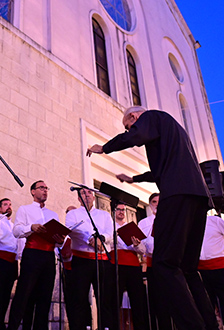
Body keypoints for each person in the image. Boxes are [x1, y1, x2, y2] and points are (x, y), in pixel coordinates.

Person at [87, 106, 217, 330]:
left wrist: (105, 148)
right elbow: (161, 170)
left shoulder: (151, 117)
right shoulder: (173, 131)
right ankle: (210, 325)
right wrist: (134, 179)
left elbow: (136, 136)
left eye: (129, 125)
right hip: (198, 198)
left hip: (177, 195)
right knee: (187, 269)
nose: (131, 129)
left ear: (134, 117)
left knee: (164, 264)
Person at [6, 180, 65, 330]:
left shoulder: (53, 214)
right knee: (23, 295)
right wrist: (31, 227)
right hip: (32, 254)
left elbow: (58, 243)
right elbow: (16, 231)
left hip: (49, 257)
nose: (45, 190)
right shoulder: (25, 210)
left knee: (45, 298)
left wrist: (60, 240)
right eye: (41, 188)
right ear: (33, 191)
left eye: (46, 188)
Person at [65, 188, 115, 330]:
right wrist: (91, 239)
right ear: (79, 198)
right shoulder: (73, 214)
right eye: (83, 193)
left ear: (93, 197)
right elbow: (72, 229)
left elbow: (110, 232)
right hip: (82, 260)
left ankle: (106, 327)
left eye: (89, 193)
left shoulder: (104, 215)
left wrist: (102, 238)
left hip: (102, 260)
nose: (87, 195)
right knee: (80, 298)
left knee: (105, 299)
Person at [108, 203, 149, 330]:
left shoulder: (132, 227)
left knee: (137, 300)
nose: (121, 212)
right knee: (115, 300)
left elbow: (143, 250)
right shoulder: (109, 227)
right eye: (118, 209)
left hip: (133, 265)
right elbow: (107, 245)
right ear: (113, 211)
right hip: (116, 264)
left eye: (123, 210)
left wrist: (136, 244)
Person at [136, 193, 173, 330]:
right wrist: (136, 245)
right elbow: (142, 249)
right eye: (154, 201)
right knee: (157, 303)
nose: (157, 204)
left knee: (174, 301)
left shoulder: (173, 219)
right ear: (150, 205)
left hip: (171, 265)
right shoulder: (143, 223)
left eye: (160, 201)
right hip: (153, 266)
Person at [0, 198, 22, 330]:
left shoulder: (14, 226)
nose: (9, 207)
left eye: (10, 204)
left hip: (11, 263)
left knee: (6, 296)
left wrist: (16, 266)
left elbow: (17, 248)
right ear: (0, 208)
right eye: (5, 205)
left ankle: (0, 324)